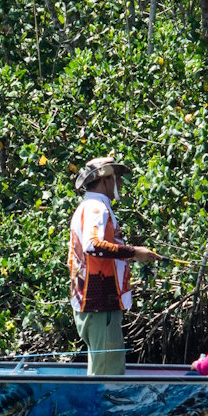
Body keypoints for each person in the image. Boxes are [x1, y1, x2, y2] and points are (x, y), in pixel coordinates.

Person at [68, 155, 159, 375]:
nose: (120, 183)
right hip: (100, 304)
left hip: (92, 304)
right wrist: (135, 252)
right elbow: (93, 245)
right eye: (117, 178)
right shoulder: (97, 208)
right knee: (108, 374)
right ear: (105, 180)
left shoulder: (88, 206)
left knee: (99, 368)